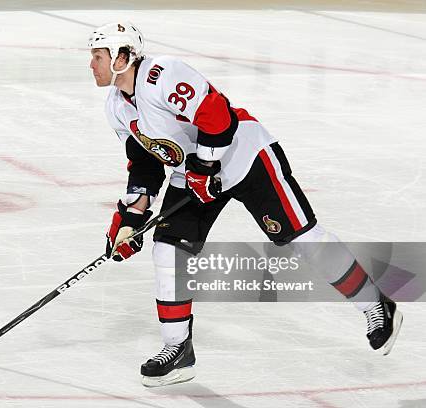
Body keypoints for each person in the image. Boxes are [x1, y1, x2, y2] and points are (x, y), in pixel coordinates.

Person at [87, 21, 403, 387]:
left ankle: (375, 303)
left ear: (123, 57)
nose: (92, 65)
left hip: (244, 156)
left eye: (98, 56)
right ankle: (178, 349)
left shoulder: (162, 75)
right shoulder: (116, 107)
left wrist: (205, 168)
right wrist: (132, 214)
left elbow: (217, 116)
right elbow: (145, 161)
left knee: (301, 238)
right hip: (191, 175)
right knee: (168, 251)